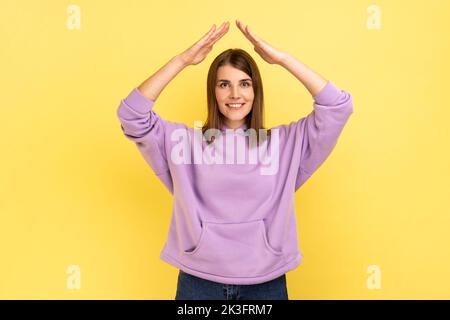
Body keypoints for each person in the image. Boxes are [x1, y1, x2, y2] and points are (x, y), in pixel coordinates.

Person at [116, 20, 354, 300]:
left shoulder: (283, 144)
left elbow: (338, 107)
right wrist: (182, 60)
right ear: (213, 91)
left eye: (244, 84)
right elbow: (132, 115)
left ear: (255, 91)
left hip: (266, 283)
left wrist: (282, 59)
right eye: (224, 84)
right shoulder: (184, 143)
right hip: (199, 282)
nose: (235, 94)